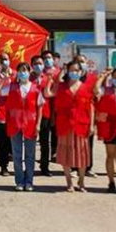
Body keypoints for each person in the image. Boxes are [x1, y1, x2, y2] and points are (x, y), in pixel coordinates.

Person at [0, 62, 44, 192]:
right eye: (20, 71)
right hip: (15, 123)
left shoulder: (36, 88)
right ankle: (19, 181)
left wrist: (38, 125)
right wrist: (4, 79)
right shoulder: (12, 87)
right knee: (17, 154)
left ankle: (29, 181)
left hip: (30, 124)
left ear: (29, 72)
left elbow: (40, 107)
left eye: (25, 70)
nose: (22, 73)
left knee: (30, 154)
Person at [49, 61, 93, 192]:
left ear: (81, 72)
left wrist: (91, 125)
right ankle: (69, 181)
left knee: (82, 154)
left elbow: (91, 107)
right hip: (65, 124)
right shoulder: (61, 86)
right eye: (71, 70)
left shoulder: (86, 87)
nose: (74, 73)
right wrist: (57, 74)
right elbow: (49, 93)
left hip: (81, 124)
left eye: (76, 70)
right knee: (65, 153)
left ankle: (81, 181)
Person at [73, 54, 98, 178]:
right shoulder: (69, 78)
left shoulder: (92, 78)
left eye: (82, 61)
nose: (80, 64)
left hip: (88, 115)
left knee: (88, 143)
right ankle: (74, 167)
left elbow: (96, 96)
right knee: (73, 144)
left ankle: (88, 167)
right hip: (73, 116)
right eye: (78, 62)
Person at [31, 55, 53, 177]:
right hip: (30, 114)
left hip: (45, 113)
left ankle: (45, 167)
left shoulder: (48, 79)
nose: (38, 66)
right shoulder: (28, 78)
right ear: (32, 65)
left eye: (40, 63)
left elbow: (52, 98)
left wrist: (53, 117)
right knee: (30, 142)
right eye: (36, 63)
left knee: (44, 142)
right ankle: (29, 166)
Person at [41, 50, 60, 166]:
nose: (47, 60)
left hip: (57, 108)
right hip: (45, 109)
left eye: (49, 57)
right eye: (45, 58)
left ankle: (55, 152)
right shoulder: (40, 73)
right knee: (44, 137)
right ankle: (44, 162)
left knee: (56, 133)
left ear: (53, 59)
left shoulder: (59, 72)